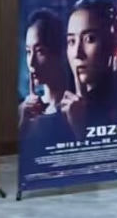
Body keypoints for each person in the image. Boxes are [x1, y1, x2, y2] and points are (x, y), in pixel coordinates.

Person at [60, 0, 117, 133]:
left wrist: (81, 130)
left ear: (115, 44)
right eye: (71, 41)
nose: (77, 53)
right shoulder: (61, 109)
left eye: (89, 39)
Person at [18, 9, 78, 147]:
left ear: (60, 53)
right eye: (28, 52)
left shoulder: (77, 108)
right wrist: (23, 126)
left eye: (40, 51)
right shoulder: (24, 110)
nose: (31, 62)